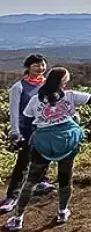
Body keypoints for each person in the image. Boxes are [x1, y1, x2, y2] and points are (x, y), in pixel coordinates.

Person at [4, 67, 91, 232]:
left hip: (43, 143)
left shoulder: (36, 99)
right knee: (65, 178)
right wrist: (73, 113)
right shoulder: (71, 95)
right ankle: (62, 212)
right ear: (64, 81)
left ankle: (18, 218)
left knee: (31, 180)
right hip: (67, 141)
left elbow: (27, 120)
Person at [1, 54, 55, 213]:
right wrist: (15, 131)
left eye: (42, 65)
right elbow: (14, 111)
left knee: (46, 154)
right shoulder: (18, 87)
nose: (40, 68)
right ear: (28, 67)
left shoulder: (49, 84)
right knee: (23, 163)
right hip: (26, 129)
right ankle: (12, 196)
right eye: (36, 65)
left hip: (45, 126)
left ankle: (41, 181)